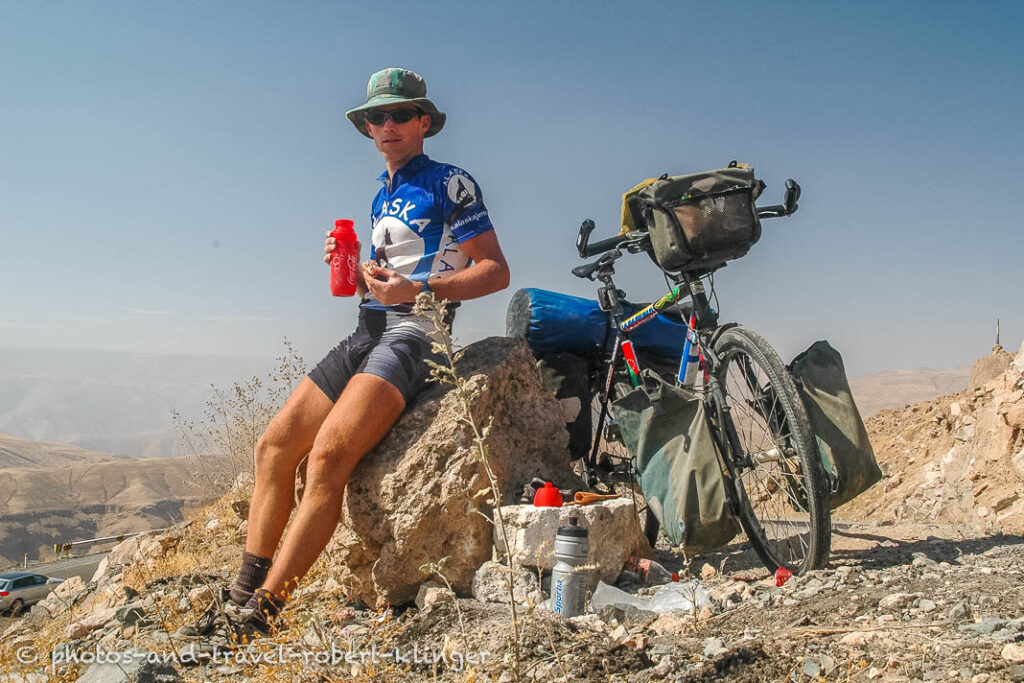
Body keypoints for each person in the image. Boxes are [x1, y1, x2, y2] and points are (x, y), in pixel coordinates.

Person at [181, 67, 510, 640]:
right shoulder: (381, 191)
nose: (387, 125)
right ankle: (239, 596)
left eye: (400, 114)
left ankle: (264, 612)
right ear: (366, 129)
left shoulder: (451, 183)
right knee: (274, 446)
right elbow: (386, 279)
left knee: (328, 460)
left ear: (423, 121)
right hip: (369, 328)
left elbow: (495, 271)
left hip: (416, 334)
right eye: (376, 117)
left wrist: (419, 290)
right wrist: (354, 267)